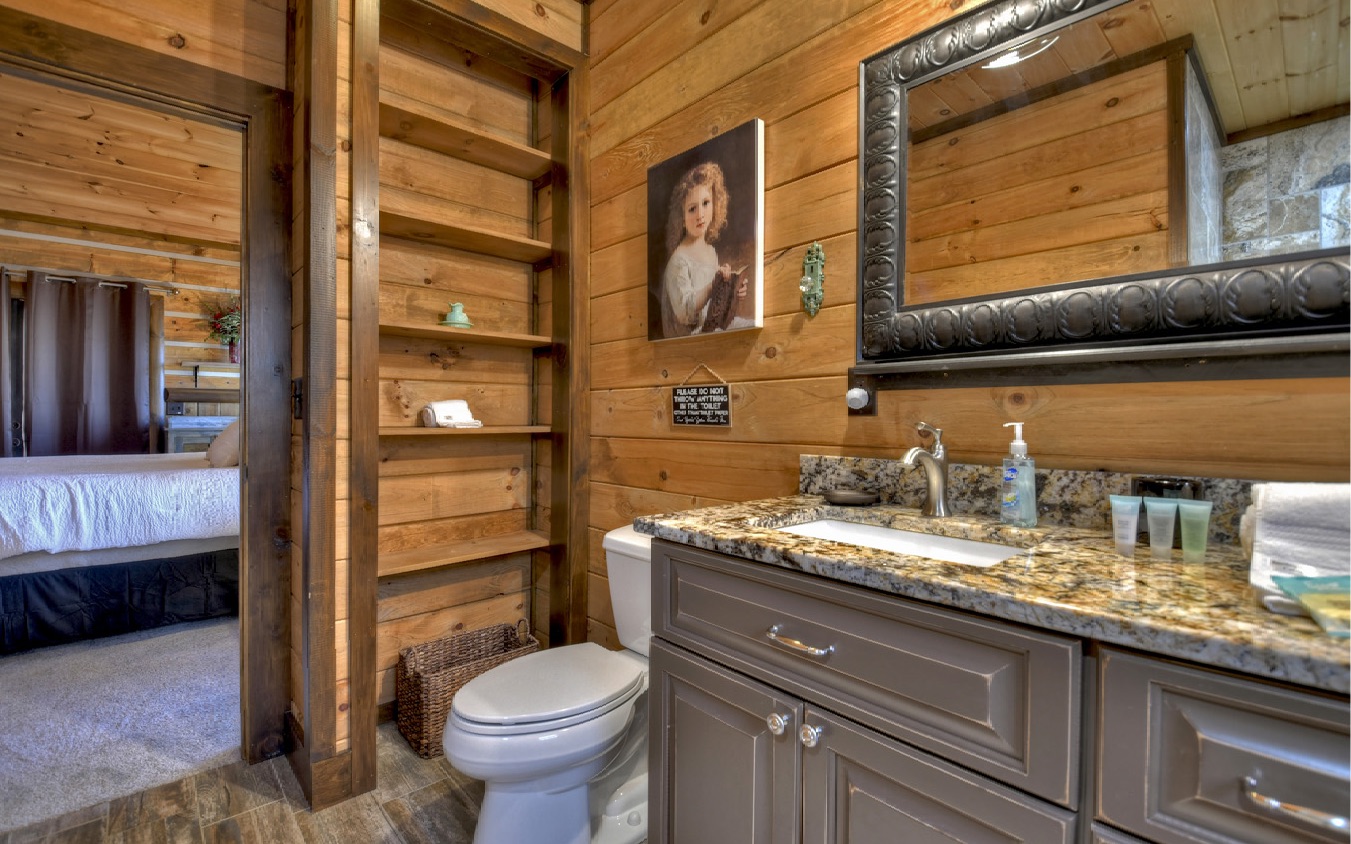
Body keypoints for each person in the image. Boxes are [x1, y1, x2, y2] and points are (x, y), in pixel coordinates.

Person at [659, 161, 748, 338]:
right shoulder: (679, 260)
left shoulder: (710, 251)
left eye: (706, 203)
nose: (700, 215)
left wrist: (732, 290)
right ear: (682, 217)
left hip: (711, 327)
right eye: (692, 209)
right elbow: (685, 314)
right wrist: (712, 287)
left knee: (747, 326)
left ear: (715, 205)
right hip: (691, 337)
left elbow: (715, 304)